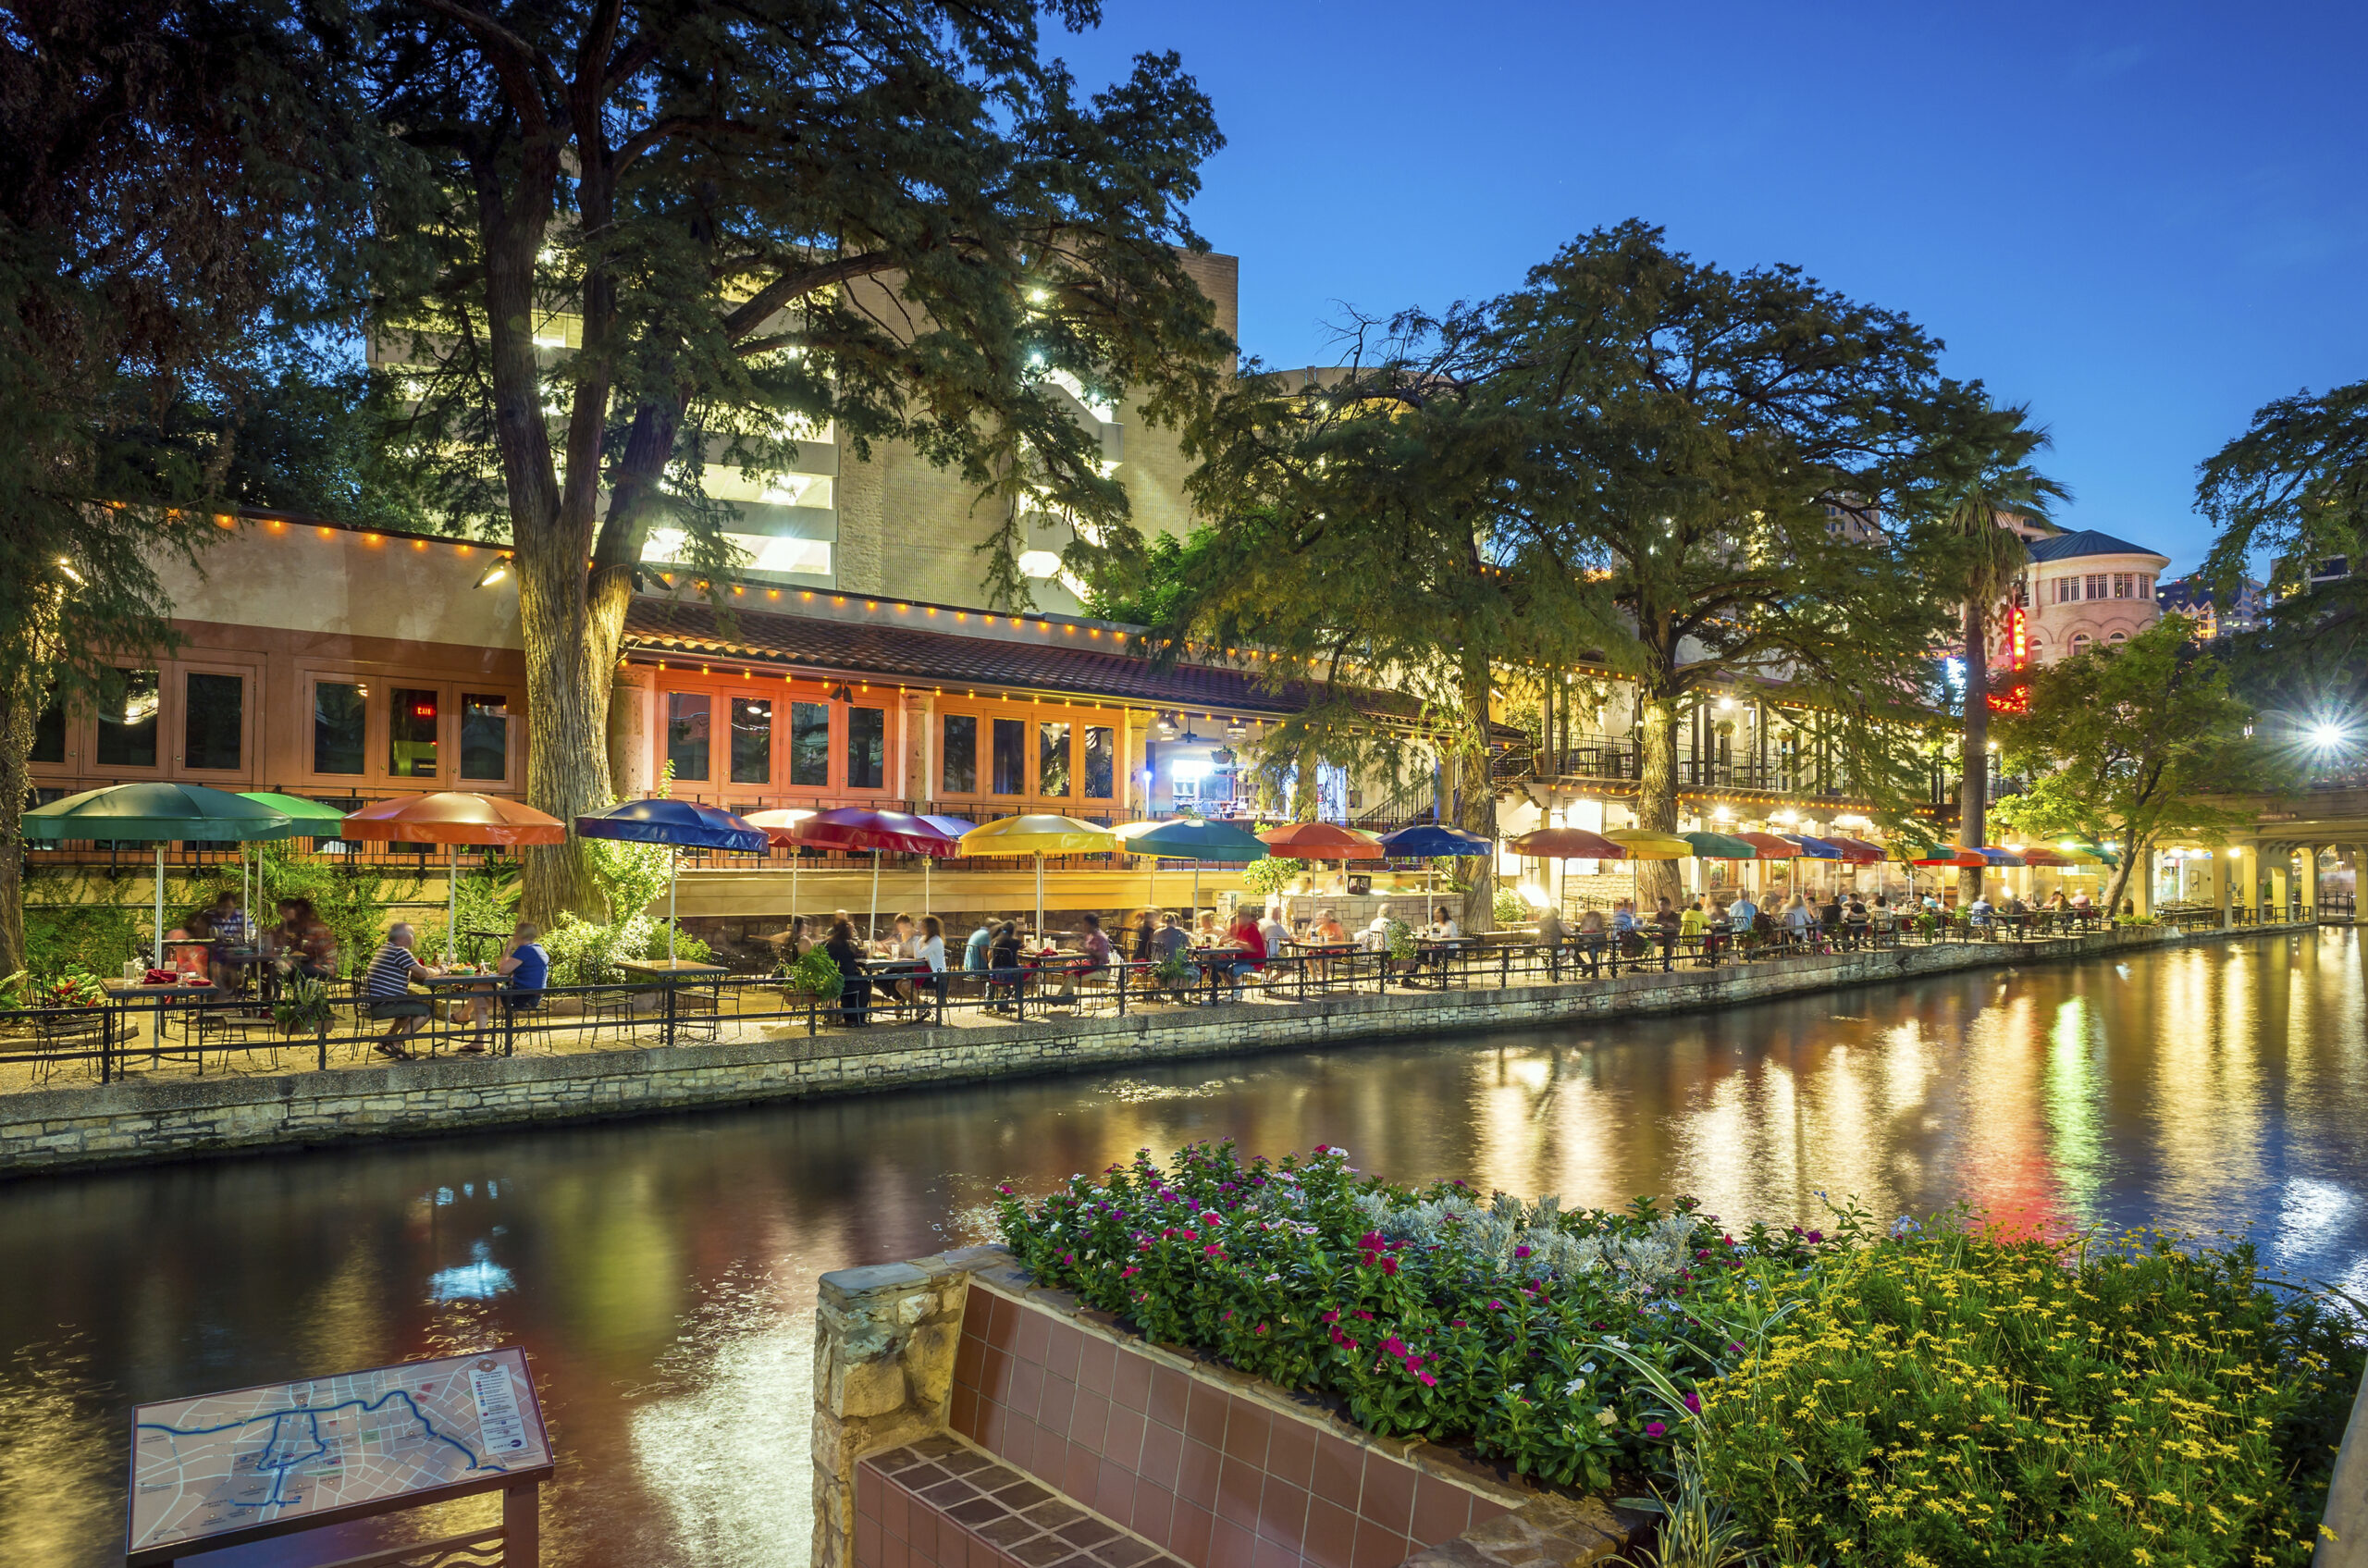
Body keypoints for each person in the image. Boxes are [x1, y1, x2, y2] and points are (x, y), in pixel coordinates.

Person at [466, 920, 549, 1050]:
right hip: (532, 997)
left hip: (521, 997)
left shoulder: (525, 950)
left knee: (478, 988)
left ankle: (466, 1020)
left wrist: (508, 948)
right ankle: (477, 1040)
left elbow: (503, 970)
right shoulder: (538, 948)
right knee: (480, 999)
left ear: (519, 935)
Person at [362, 922, 437, 1060]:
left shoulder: (385, 949)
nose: (414, 938)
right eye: (412, 934)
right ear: (405, 937)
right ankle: (396, 1045)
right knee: (426, 1011)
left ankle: (385, 1040)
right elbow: (423, 973)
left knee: (407, 1012)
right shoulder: (399, 951)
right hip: (382, 1005)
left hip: (369, 1004)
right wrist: (438, 970)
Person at [822, 918, 870, 1026]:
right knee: (865, 985)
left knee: (855, 983)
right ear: (845, 931)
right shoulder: (841, 945)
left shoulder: (829, 942)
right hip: (841, 981)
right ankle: (858, 1018)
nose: (852, 933)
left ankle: (849, 1018)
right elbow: (847, 964)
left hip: (831, 980)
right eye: (850, 930)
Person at [986, 920, 1025, 1013]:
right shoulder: (1014, 941)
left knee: (1009, 972)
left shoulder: (994, 941)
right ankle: (1014, 1000)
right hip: (1009, 975)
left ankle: (991, 1003)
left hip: (994, 974)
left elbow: (989, 955)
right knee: (1021, 973)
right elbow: (1023, 947)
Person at [1575, 906, 1608, 978]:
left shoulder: (1598, 927)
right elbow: (1581, 935)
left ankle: (1594, 970)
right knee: (1573, 950)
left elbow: (1601, 939)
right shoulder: (1584, 925)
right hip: (1585, 943)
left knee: (1592, 950)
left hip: (1597, 944)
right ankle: (1584, 967)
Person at [1651, 895, 1681, 970]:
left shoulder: (1675, 916)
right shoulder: (1659, 915)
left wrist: (1672, 925)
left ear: (1668, 905)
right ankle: (1644, 960)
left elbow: (1678, 928)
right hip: (1660, 936)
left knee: (1669, 941)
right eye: (1660, 905)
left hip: (1672, 936)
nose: (1662, 907)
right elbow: (1655, 924)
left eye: (1663, 905)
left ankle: (1667, 962)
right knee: (1651, 941)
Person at [1678, 896, 1708, 966]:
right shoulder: (1700, 914)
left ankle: (1695, 958)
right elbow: (1712, 926)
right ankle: (1702, 958)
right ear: (1700, 909)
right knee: (1709, 939)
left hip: (1684, 939)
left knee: (1689, 943)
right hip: (1696, 938)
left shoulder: (1685, 913)